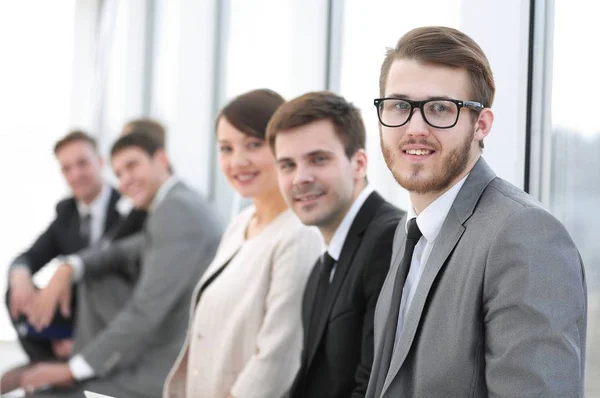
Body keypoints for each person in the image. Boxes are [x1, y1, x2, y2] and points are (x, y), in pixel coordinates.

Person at [366, 26, 587, 397]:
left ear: (481, 124)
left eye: (440, 108)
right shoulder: (410, 238)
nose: (414, 128)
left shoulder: (525, 235)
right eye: (400, 106)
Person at [20, 131, 223, 398]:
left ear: (161, 159)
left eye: (132, 166)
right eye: (119, 173)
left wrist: (74, 370)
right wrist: (69, 267)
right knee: (92, 273)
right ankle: (82, 371)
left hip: (170, 362)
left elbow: (145, 309)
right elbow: (122, 251)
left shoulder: (176, 211)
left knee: (47, 395)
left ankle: (82, 372)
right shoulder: (175, 203)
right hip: (163, 343)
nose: (125, 180)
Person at [164, 89, 323, 398]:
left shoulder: (299, 235)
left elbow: (278, 357)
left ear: (284, 146)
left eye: (253, 144)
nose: (238, 161)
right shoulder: (240, 224)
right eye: (226, 148)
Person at [266, 91, 405, 398]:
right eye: (287, 165)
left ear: (359, 163)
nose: (301, 178)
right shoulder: (321, 268)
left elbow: (374, 386)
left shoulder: (389, 240)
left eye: (318, 159)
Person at [1, 131, 144, 394]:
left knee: (97, 279)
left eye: (82, 163)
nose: (76, 174)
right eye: (67, 168)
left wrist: (69, 270)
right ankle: (49, 360)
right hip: (73, 315)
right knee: (16, 291)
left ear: (100, 163)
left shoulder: (129, 207)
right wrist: (20, 275)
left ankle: (75, 357)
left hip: (113, 314)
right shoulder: (67, 212)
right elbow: (30, 256)